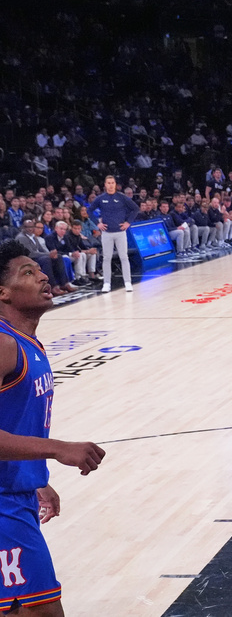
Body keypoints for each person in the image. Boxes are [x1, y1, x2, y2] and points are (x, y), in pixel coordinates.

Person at [0, 240, 106, 616]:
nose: (44, 275)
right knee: (40, 610)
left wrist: (35, 476)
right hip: (3, 508)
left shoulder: (28, 342)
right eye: (27, 272)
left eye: (39, 269)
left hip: (16, 495)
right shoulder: (3, 344)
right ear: (3, 292)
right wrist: (56, 448)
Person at [87, 176, 138, 293]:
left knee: (124, 257)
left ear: (115, 184)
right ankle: (107, 283)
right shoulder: (101, 198)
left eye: (112, 183)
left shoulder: (121, 197)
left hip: (120, 232)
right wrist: (97, 224)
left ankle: (128, 282)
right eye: (108, 183)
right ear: (105, 185)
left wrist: (128, 222)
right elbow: (89, 210)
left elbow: (135, 209)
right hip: (106, 233)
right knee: (106, 258)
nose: (110, 185)